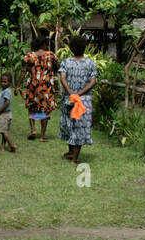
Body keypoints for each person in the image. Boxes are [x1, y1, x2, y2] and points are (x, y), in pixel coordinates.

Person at [57, 35, 98, 164]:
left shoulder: (66, 62)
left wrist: (71, 92)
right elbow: (93, 82)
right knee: (79, 127)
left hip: (69, 99)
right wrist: (79, 94)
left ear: (70, 48)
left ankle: (73, 156)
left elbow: (62, 78)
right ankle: (73, 156)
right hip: (83, 100)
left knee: (69, 124)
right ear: (85, 47)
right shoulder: (90, 63)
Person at [19, 35, 59, 140]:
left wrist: (17, 86)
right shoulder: (50, 55)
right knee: (44, 109)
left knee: (32, 107)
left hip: (33, 86)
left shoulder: (30, 56)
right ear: (44, 44)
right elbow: (57, 68)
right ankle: (42, 136)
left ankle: (33, 130)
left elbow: (23, 71)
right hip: (46, 87)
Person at [0, 72, 17, 152]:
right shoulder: (5, 90)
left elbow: (7, 102)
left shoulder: (7, 91)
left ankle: (11, 145)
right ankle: (2, 147)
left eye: (5, 82)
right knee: (4, 131)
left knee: (3, 131)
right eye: (2, 81)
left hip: (4, 114)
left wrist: (0, 110)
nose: (3, 83)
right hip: (7, 114)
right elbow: (0, 102)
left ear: (10, 83)